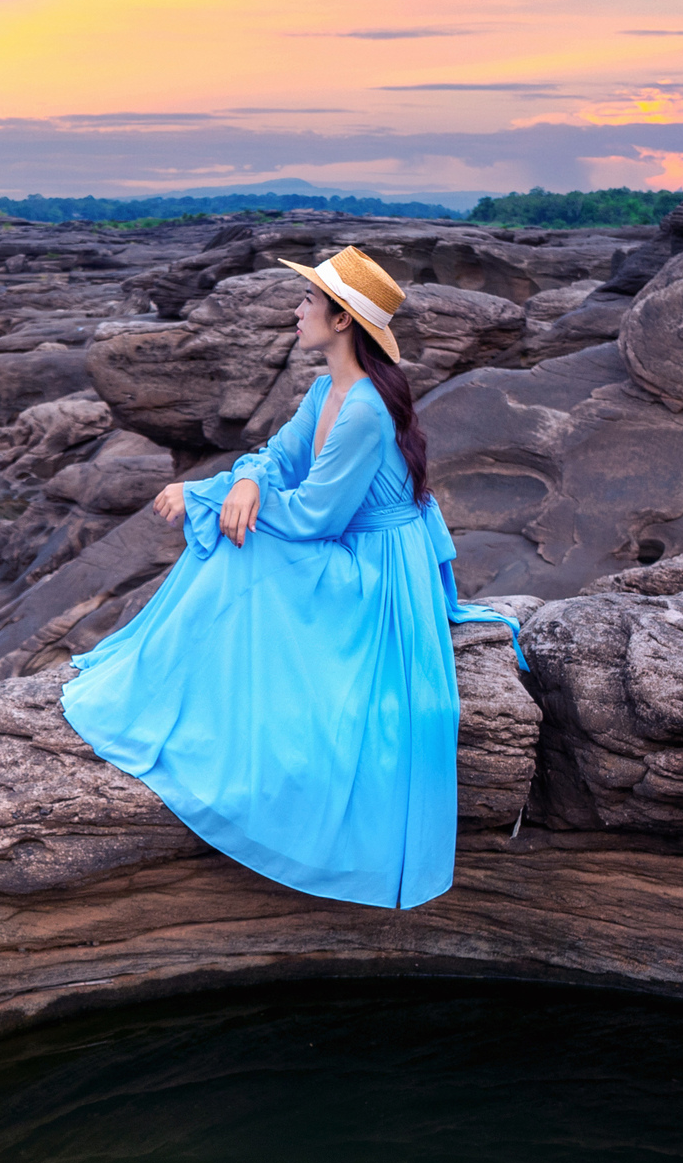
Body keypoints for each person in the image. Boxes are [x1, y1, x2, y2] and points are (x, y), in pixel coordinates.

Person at [57, 245, 514, 910]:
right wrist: (241, 480)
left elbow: (316, 517)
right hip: (340, 537)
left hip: (379, 568)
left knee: (242, 542)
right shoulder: (326, 388)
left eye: (309, 301)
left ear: (342, 323)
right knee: (237, 527)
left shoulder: (364, 410)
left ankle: (172, 690)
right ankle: (172, 680)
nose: (296, 309)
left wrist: (213, 498)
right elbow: (278, 456)